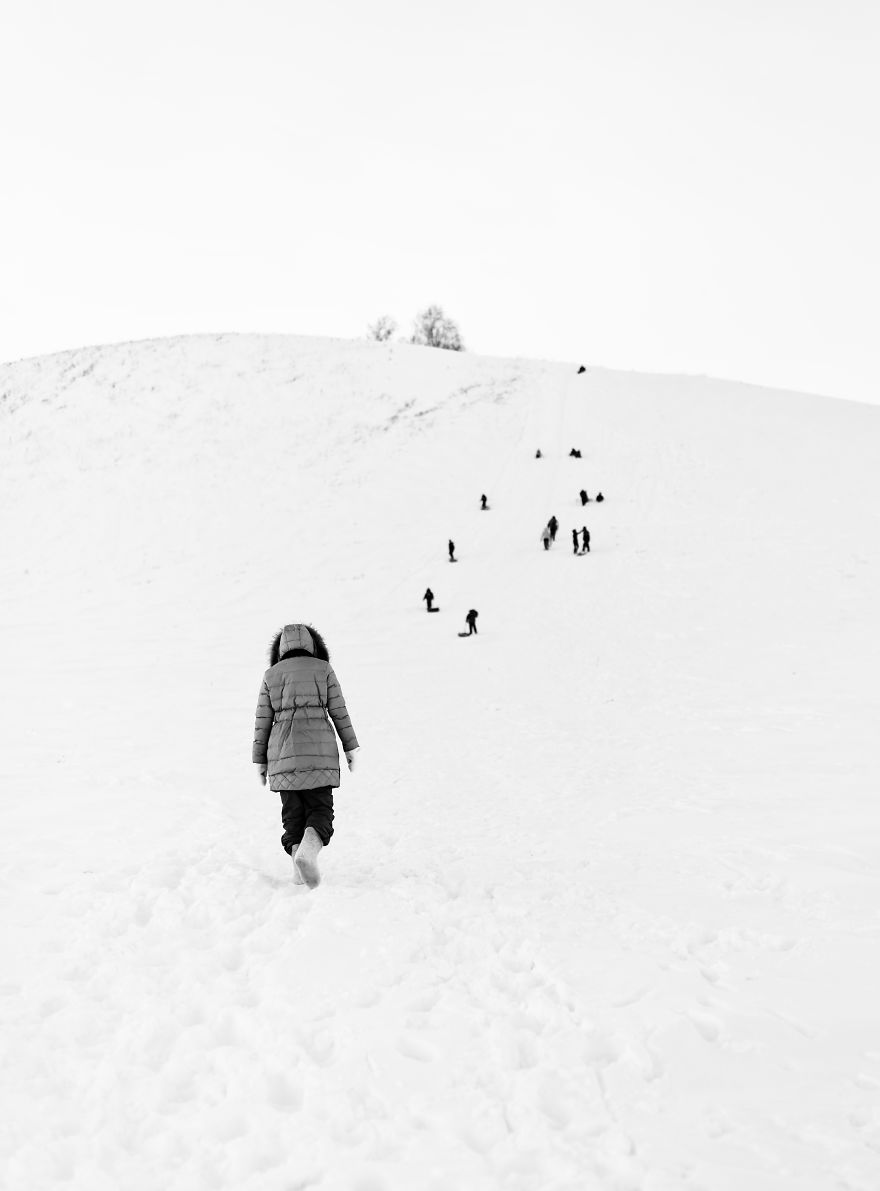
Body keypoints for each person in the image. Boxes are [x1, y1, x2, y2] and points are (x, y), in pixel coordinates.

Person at [252, 623, 359, 888]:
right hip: (319, 754)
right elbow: (339, 712)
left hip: (281, 755)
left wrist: (260, 760)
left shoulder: (271, 675)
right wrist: (350, 747)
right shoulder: (323, 669)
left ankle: (298, 871)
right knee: (319, 809)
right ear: (313, 646)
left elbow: (262, 721)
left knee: (293, 816)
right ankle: (308, 853)